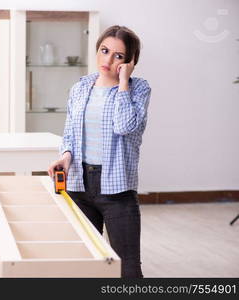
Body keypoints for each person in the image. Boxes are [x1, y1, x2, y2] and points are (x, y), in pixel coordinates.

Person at [48, 25, 151, 278]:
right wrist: (65, 156)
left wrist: (124, 82)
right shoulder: (80, 88)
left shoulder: (139, 89)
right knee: (84, 265)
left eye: (118, 55)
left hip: (117, 191)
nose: (108, 60)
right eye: (104, 51)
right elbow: (70, 133)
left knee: (128, 268)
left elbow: (125, 126)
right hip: (78, 184)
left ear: (130, 61)